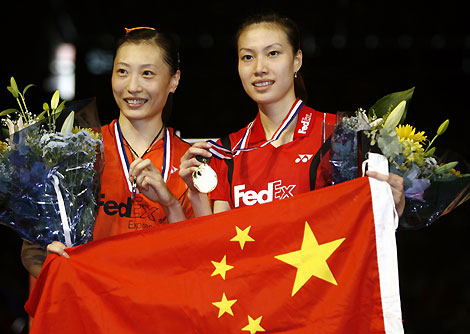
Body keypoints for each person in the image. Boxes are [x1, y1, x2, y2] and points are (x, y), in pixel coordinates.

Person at [179, 12, 405, 216]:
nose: (259, 68)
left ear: (297, 60)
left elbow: (362, 226)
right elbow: (219, 243)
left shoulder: (340, 134)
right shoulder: (227, 152)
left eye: (273, 53)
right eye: (248, 57)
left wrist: (394, 206)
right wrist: (196, 193)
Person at [21, 27, 193, 278]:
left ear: (174, 81)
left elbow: (199, 256)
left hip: (160, 310)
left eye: (147, 73)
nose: (132, 86)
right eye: (122, 71)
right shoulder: (77, 152)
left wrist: (170, 204)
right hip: (91, 306)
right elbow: (34, 250)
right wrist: (52, 262)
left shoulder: (192, 165)